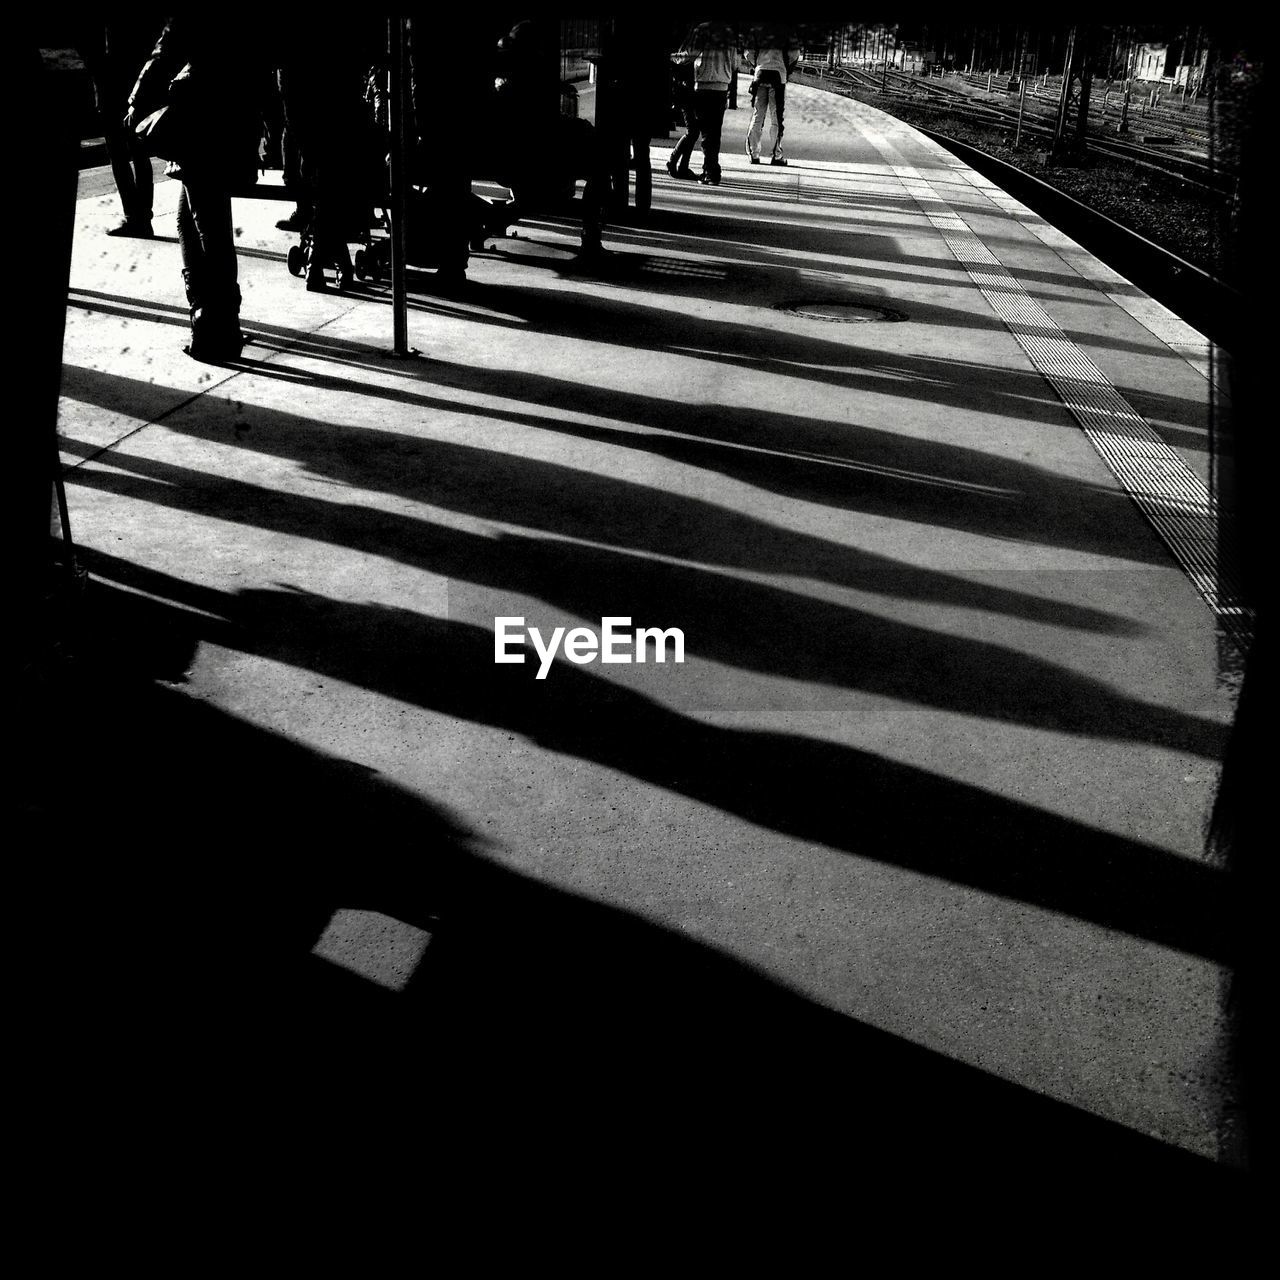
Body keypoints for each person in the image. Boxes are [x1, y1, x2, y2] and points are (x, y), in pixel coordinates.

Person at [126, 18, 261, 361]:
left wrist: (136, 99)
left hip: (202, 117)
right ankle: (217, 321)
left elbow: (169, 46)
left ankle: (212, 325)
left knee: (203, 226)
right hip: (234, 112)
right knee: (203, 223)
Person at [79, 18, 162, 237]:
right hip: (133, 88)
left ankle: (133, 218)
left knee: (118, 155)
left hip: (111, 89)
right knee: (139, 152)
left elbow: (94, 57)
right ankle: (144, 216)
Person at [672, 21, 735, 186]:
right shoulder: (730, 32)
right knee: (715, 133)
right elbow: (735, 62)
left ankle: (710, 172)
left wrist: (673, 57)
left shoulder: (703, 29)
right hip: (722, 87)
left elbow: (690, 54)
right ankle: (712, 169)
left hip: (704, 86)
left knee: (706, 134)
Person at [744, 31, 798, 166]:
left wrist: (757, 63)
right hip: (778, 75)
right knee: (776, 117)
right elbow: (794, 53)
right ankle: (776, 155)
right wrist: (785, 66)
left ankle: (754, 154)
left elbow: (748, 52)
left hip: (760, 74)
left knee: (758, 115)